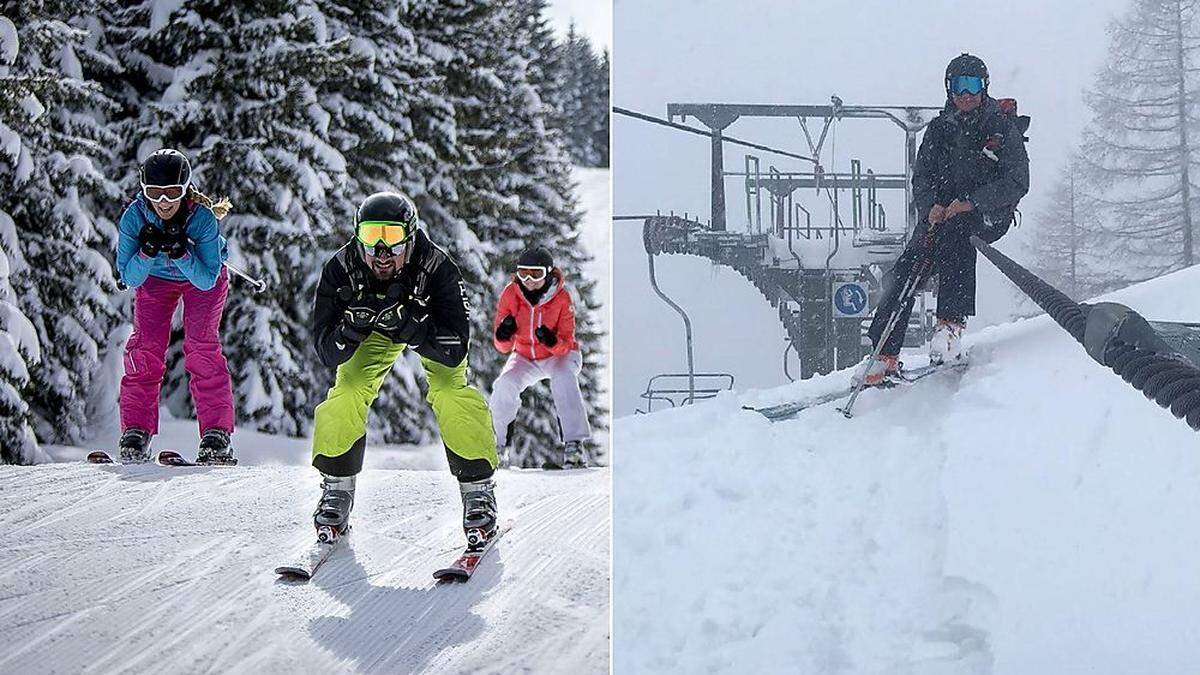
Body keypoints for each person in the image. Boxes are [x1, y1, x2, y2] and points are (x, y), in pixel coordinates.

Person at [309, 191, 499, 550]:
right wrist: (349, 331)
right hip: (370, 334)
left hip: (426, 330)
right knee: (347, 390)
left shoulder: (437, 268)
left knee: (449, 391)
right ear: (357, 236)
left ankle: (478, 491)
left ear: (410, 238)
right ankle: (336, 489)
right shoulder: (340, 268)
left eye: (393, 238)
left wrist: (413, 328)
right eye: (371, 236)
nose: (382, 251)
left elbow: (455, 347)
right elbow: (326, 351)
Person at [853, 53, 1030, 386]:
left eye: (973, 86)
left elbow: (1017, 181)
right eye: (959, 86)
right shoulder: (939, 130)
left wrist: (972, 203)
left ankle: (950, 325)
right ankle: (882, 353)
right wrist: (929, 206)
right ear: (949, 89)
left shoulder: (999, 128)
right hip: (942, 215)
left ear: (984, 88)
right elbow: (922, 177)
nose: (966, 94)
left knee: (957, 236)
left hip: (985, 215)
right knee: (907, 267)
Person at [115, 149, 235, 464]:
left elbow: (207, 279)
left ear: (185, 190)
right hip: (153, 279)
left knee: (200, 345)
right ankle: (136, 430)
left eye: (172, 193)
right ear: (144, 191)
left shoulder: (202, 218)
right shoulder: (134, 217)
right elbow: (128, 276)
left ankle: (216, 433)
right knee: (145, 348)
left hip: (199, 278)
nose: (164, 201)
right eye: (155, 193)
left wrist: (182, 253)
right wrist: (148, 251)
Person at [489, 247, 590, 469]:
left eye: (535, 275)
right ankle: (498, 448)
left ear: (548, 274)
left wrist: (552, 341)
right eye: (523, 274)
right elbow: (502, 346)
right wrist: (504, 334)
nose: (529, 280)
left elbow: (566, 343)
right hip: (525, 355)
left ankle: (574, 446)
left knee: (564, 378)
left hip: (558, 356)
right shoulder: (510, 294)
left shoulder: (562, 298)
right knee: (504, 384)